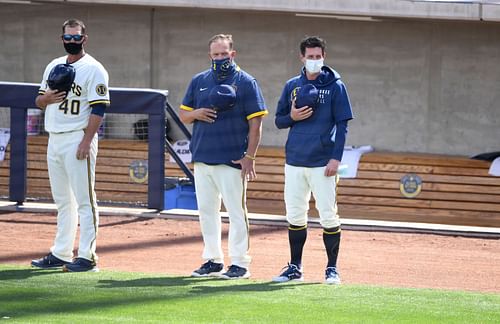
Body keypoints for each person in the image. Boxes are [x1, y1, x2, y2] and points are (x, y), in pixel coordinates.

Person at [179, 34, 267, 279]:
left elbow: (256, 124)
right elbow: (184, 115)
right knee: (207, 212)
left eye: (224, 54)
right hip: (203, 157)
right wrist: (197, 112)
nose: (220, 58)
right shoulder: (199, 80)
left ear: (233, 54)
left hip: (232, 159)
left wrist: (250, 156)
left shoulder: (247, 82)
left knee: (237, 213)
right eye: (215, 55)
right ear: (210, 56)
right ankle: (213, 260)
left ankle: (240, 263)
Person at [272, 36, 353, 284]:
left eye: (318, 57)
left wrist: (335, 159)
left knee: (328, 215)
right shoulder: (291, 85)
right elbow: (279, 120)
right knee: (295, 215)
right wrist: (293, 116)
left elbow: (342, 125)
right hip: (295, 159)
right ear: (302, 57)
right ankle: (295, 267)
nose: (315, 61)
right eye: (310, 57)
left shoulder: (336, 86)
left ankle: (332, 268)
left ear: (324, 57)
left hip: (322, 163)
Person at [31, 18, 110, 272]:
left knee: (85, 199)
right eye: (68, 37)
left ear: (84, 39)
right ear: (62, 38)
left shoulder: (94, 68)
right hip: (55, 137)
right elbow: (39, 100)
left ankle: (87, 256)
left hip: (78, 136)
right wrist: (46, 99)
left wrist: (87, 140)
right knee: (63, 201)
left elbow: (99, 108)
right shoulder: (53, 65)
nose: (72, 41)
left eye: (77, 37)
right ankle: (61, 252)